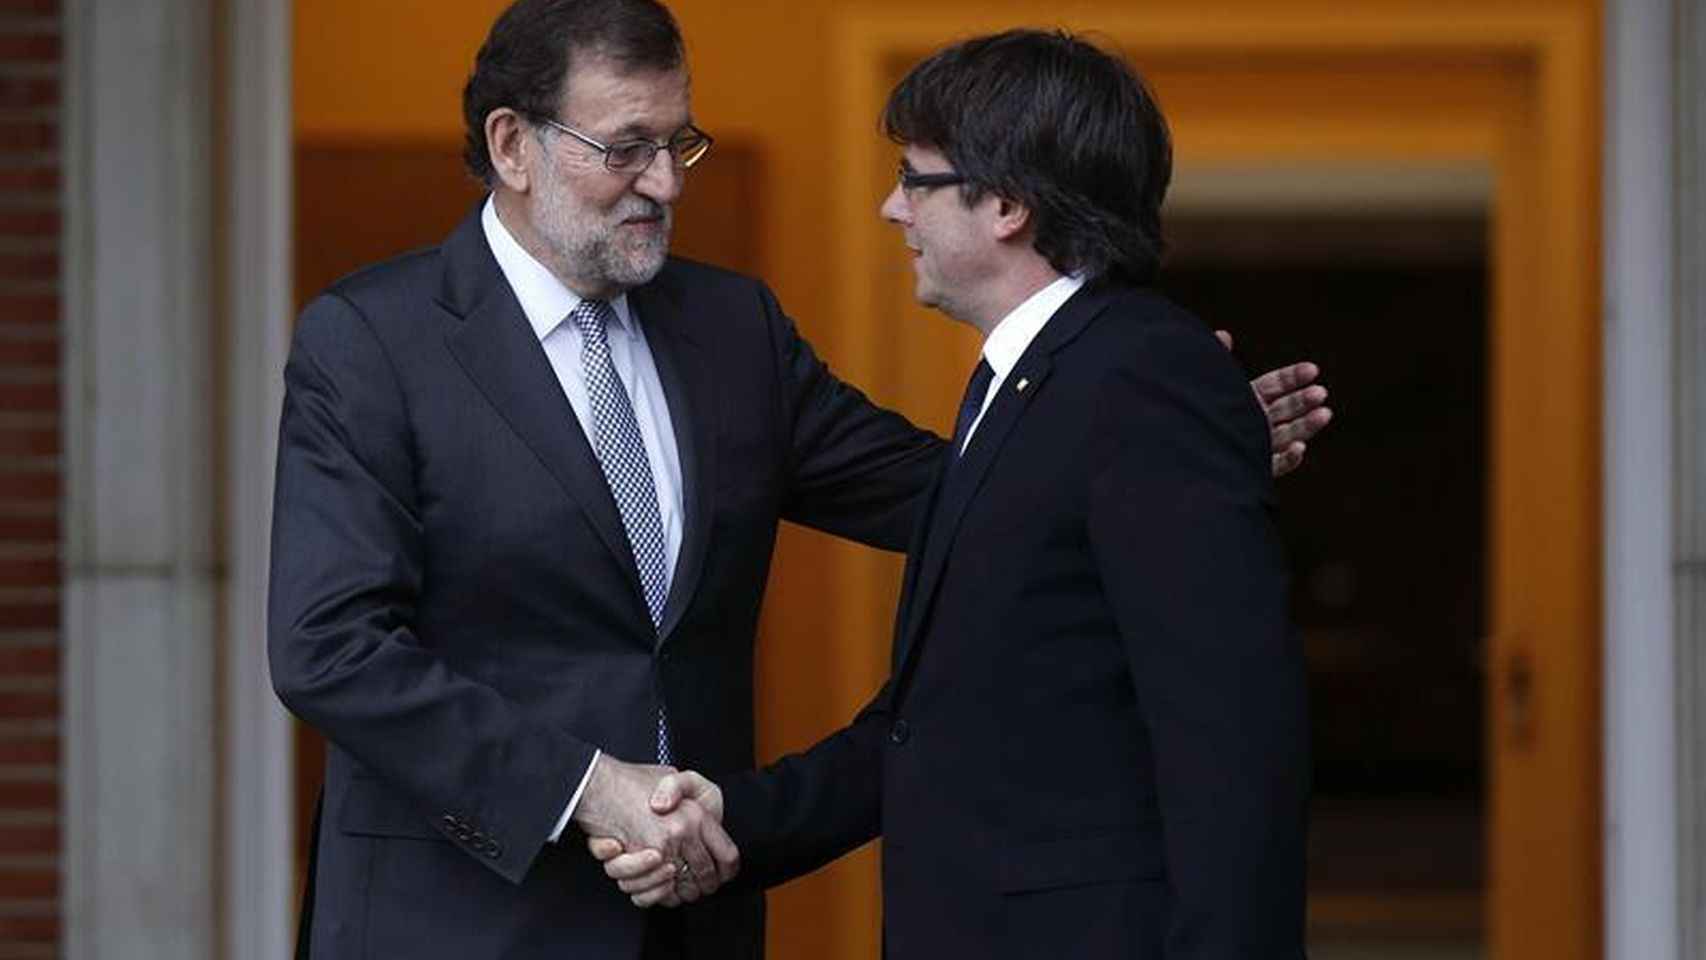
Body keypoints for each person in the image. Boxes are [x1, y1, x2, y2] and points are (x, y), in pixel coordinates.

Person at [267, 2, 1328, 957]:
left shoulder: (732, 327)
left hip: (695, 922)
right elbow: (329, 649)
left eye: (679, 140)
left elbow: (955, 496)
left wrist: (1149, 447)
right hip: (461, 918)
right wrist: (587, 791)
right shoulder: (373, 342)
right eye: (626, 147)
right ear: (513, 146)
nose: (668, 181)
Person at [598, 29, 1311, 958]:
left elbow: (1234, 738)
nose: (892, 208)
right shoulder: (1033, 387)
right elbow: (926, 729)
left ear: (1009, 203)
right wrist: (736, 817)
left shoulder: (1139, 376)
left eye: (915, 177)